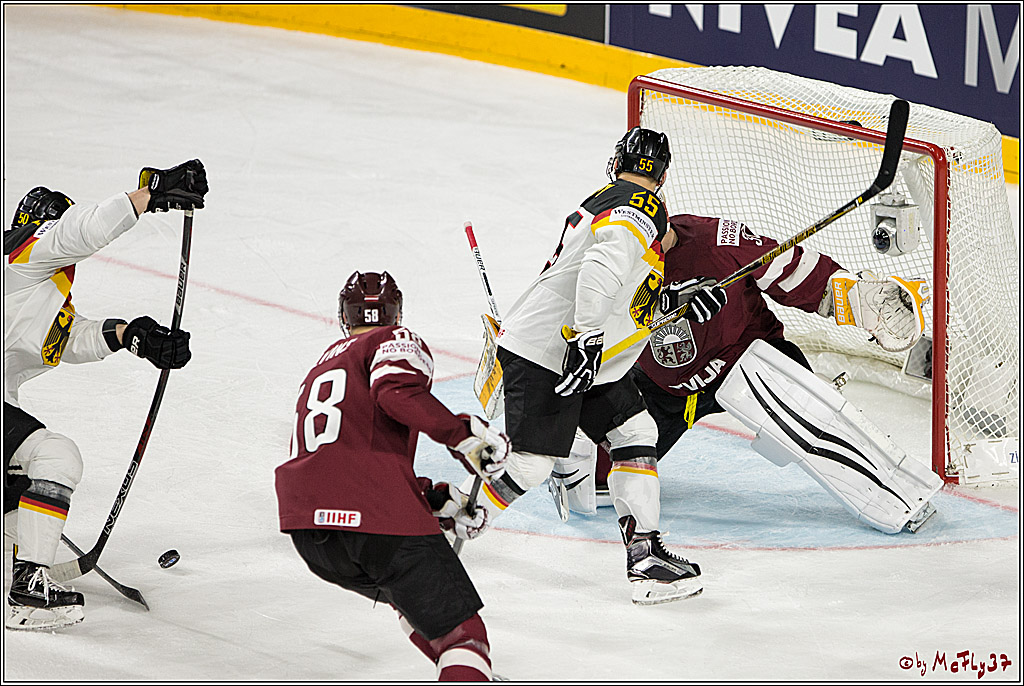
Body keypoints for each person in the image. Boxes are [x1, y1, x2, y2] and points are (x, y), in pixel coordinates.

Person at [462, 127, 728, 606]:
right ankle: (444, 524)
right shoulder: (642, 205)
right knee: (530, 462)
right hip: (555, 353)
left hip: (584, 359)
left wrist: (674, 301)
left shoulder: (614, 200)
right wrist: (585, 340)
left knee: (634, 432)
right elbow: (601, 271)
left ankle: (646, 558)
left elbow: (624, 292)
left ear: (617, 161)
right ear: (663, 177)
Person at [550, 212, 941, 535]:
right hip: (662, 390)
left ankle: (900, 492)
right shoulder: (607, 267)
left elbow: (788, 269)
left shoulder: (716, 240)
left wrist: (853, 297)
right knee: (592, 484)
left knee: (810, 422)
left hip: (747, 355)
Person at [274, 271, 510, 682]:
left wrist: (430, 498)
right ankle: (463, 667)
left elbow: (340, 458)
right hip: (371, 517)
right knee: (462, 638)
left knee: (409, 599)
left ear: (345, 317)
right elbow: (394, 391)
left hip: (309, 532)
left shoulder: (321, 367)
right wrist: (464, 437)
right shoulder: (393, 341)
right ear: (396, 314)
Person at [4, 160, 208, 630]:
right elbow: (79, 231)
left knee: (17, 519)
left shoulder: (28, 288)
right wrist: (150, 196)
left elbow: (66, 337)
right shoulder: (22, 250)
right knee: (56, 456)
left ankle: (20, 570)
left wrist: (133, 335)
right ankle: (27, 592)